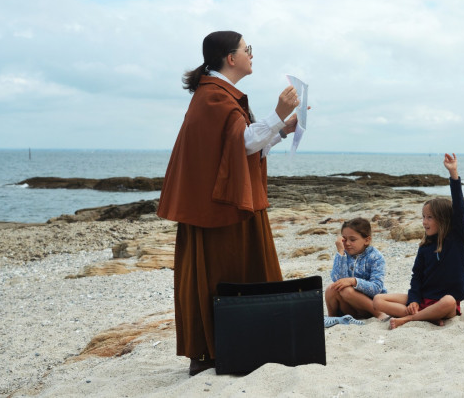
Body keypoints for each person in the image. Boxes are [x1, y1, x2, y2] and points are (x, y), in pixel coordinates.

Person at [157, 30, 301, 376]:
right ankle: (213, 350)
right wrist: (278, 113)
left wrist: (282, 128)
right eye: (246, 49)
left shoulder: (218, 94)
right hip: (220, 208)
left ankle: (242, 345)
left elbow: (244, 149)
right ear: (231, 58)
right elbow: (243, 143)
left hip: (228, 204)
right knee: (224, 273)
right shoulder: (213, 97)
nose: (252, 54)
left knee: (237, 271)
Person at [373, 153, 464, 329]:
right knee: (378, 300)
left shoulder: (458, 239)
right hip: (424, 298)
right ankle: (427, 317)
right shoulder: (425, 247)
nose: (424, 222)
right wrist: (415, 299)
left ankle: (410, 319)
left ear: (444, 219)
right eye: (423, 217)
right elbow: (416, 276)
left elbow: (460, 208)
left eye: (430, 217)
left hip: (444, 304)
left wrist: (453, 173)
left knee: (448, 301)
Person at [324, 218, 388, 325]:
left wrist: (354, 281)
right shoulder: (344, 255)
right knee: (331, 288)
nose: (347, 243)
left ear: (366, 240)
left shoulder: (375, 257)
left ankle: (379, 314)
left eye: (352, 240)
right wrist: (340, 252)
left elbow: (377, 288)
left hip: (370, 305)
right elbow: (337, 279)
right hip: (350, 308)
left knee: (346, 290)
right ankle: (333, 318)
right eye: (344, 239)